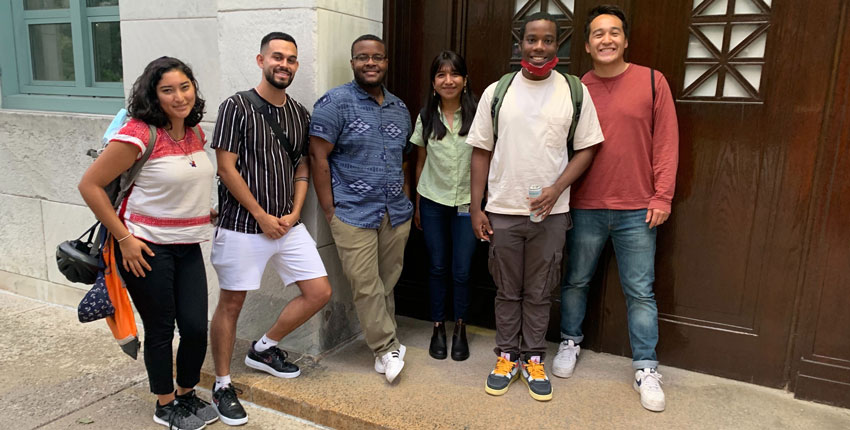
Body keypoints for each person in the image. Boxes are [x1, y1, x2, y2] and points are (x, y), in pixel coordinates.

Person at [467, 12, 604, 402]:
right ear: (520, 44)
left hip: (551, 214)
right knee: (507, 291)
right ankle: (507, 355)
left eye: (547, 40)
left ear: (557, 45)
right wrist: (476, 208)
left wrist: (557, 187)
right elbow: (480, 151)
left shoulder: (573, 91)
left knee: (540, 292)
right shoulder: (499, 91)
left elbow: (589, 146)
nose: (539, 48)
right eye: (531, 40)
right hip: (503, 210)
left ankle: (533, 359)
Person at [78, 56, 217, 430]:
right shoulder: (139, 133)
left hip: (187, 244)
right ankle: (165, 402)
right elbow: (90, 186)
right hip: (144, 247)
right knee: (160, 328)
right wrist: (124, 239)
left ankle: (187, 394)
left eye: (184, 87)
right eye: (167, 90)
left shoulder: (194, 132)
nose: (179, 97)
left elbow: (185, 182)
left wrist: (206, 212)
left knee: (194, 327)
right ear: (153, 95)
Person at [552, 5, 679, 413]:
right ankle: (570, 341)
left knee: (640, 292)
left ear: (625, 39)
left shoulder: (652, 81)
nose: (606, 40)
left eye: (614, 33)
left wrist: (662, 196)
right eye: (598, 34)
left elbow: (666, 144)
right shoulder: (575, 87)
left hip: (637, 209)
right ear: (587, 45)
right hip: (585, 204)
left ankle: (646, 367)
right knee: (575, 281)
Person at [208, 32, 332, 426]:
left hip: (287, 223)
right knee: (231, 303)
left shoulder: (298, 113)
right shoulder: (236, 107)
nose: (285, 64)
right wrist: (261, 215)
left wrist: (295, 213)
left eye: (291, 59)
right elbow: (225, 168)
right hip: (244, 225)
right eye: (277, 57)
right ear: (260, 60)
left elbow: (301, 165)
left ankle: (264, 348)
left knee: (319, 291)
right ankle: (223, 384)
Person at [309, 34, 413, 383]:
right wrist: (329, 208)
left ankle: (388, 346)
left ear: (386, 62)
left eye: (378, 57)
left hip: (394, 212)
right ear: (352, 62)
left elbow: (403, 160)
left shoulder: (399, 109)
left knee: (387, 282)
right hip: (352, 211)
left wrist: (406, 198)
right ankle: (386, 347)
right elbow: (317, 156)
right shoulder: (334, 103)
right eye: (362, 57)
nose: (371, 63)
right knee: (365, 284)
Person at [411, 51, 478, 361]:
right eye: (441, 75)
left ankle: (460, 326)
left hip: (468, 203)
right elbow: (420, 159)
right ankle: (438, 326)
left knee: (462, 270)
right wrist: (417, 204)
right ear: (433, 81)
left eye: (454, 74)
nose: (448, 80)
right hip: (434, 201)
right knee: (438, 266)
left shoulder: (479, 115)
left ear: (465, 80)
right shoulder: (426, 115)